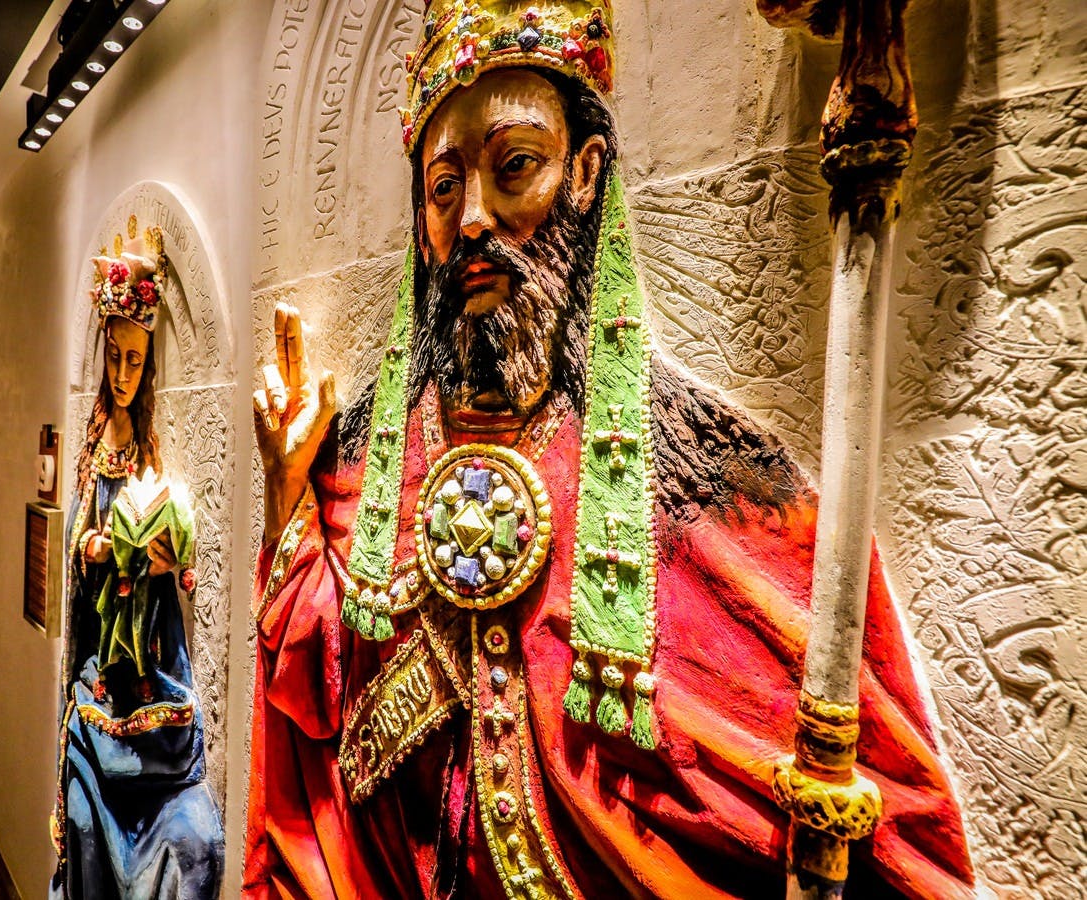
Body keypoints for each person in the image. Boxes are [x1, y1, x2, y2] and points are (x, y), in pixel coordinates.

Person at [245, 2, 974, 898]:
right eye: (442, 188)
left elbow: (883, 817)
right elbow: (315, 693)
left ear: (585, 172)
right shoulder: (365, 451)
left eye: (515, 167)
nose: (471, 219)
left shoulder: (707, 474)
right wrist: (287, 490)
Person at [51, 227, 224, 900]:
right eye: (114, 358)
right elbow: (78, 527)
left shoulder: (151, 442)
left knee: (190, 833)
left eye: (135, 361)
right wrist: (92, 548)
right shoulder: (96, 440)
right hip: (104, 633)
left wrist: (166, 557)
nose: (122, 375)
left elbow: (176, 532)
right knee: (85, 819)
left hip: (153, 635)